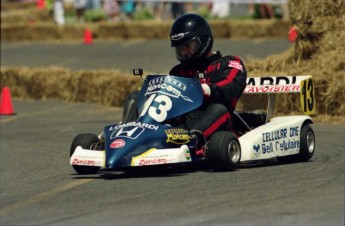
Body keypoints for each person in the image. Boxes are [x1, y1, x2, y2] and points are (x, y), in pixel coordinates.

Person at [122, 14, 247, 152]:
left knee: (219, 109)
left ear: (203, 41)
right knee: (134, 97)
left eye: (186, 46)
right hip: (180, 124)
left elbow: (231, 86)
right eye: (179, 48)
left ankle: (192, 141)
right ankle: (127, 137)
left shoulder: (229, 63)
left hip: (214, 123)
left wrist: (206, 89)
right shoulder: (178, 71)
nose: (183, 52)